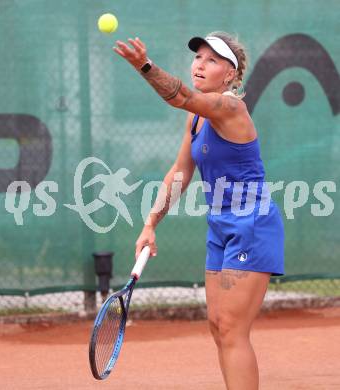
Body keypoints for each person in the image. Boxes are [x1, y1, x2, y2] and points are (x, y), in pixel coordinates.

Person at [113, 31, 284, 390]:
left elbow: (182, 97)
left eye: (212, 60)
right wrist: (150, 223)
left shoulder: (230, 107)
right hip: (221, 225)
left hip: (251, 224)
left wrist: (144, 66)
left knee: (233, 330)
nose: (200, 65)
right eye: (197, 58)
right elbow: (179, 173)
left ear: (231, 75)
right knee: (218, 326)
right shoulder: (196, 120)